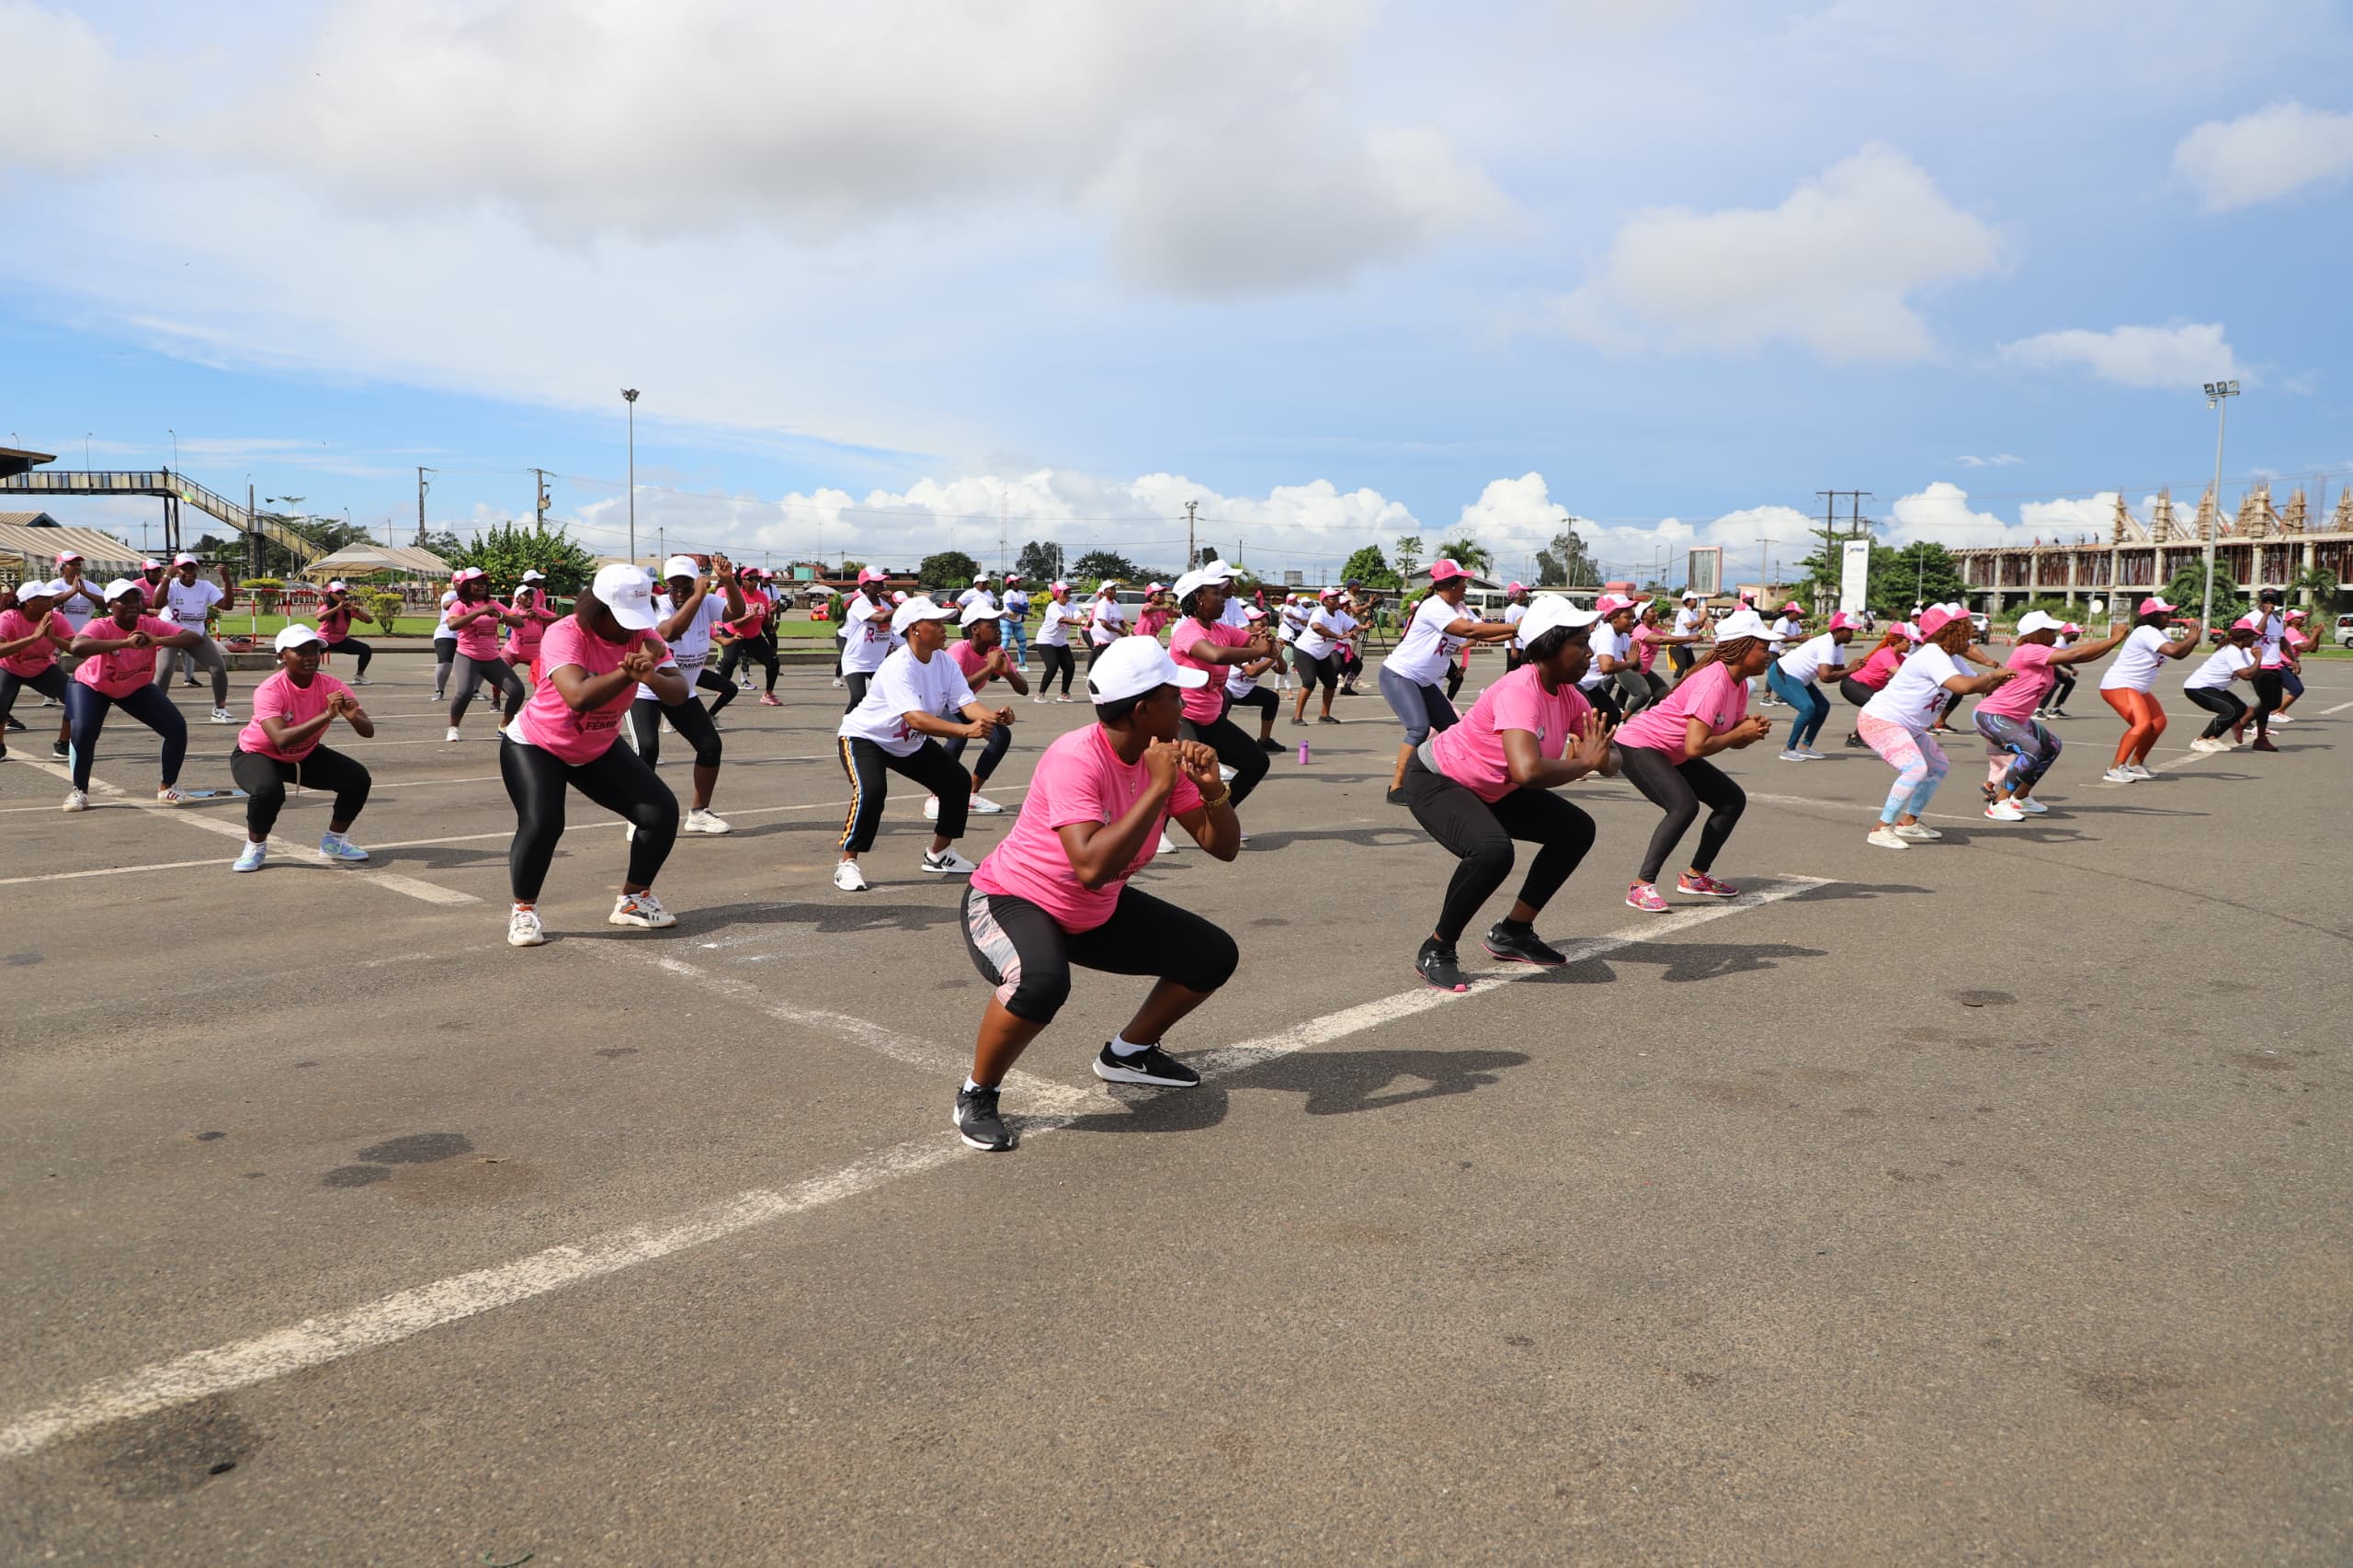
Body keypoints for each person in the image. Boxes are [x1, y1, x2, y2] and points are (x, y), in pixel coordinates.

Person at [951, 636, 1241, 1153]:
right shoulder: (1076, 758)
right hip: (1010, 900)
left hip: (1091, 911)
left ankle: (1128, 1054)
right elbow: (1089, 866)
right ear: (1142, 709)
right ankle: (978, 1093)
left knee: (1212, 955)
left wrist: (1212, 787)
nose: (1184, 703)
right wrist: (1156, 787)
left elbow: (1223, 848)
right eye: (1175, 695)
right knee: (1040, 983)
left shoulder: (1164, 761)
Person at [1402, 597, 1616, 991]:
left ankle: (1513, 932)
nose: (1589, 653)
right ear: (1550, 645)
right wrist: (1588, 762)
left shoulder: (1568, 695)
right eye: (1580, 644)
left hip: (1493, 787)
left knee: (1575, 829)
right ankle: (1437, 948)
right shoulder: (1521, 689)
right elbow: (1528, 770)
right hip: (1438, 779)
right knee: (1492, 851)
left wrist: (1601, 758)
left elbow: (1609, 754)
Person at [500, 563, 686, 947]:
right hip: (538, 744)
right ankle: (524, 911)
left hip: (597, 745)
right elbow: (579, 696)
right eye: (621, 620)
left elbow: (679, 692)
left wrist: (650, 675)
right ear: (596, 609)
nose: (630, 629)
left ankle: (634, 900)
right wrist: (629, 673)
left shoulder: (643, 635)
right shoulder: (564, 633)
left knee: (660, 813)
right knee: (544, 823)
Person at [834, 597, 1011, 892]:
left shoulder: (943, 662)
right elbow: (915, 718)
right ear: (914, 629)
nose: (945, 629)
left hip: (907, 743)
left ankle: (939, 854)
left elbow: (966, 702)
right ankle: (847, 863)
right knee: (873, 790)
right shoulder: (898, 666)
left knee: (956, 782)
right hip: (865, 738)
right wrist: (966, 731)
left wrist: (993, 717)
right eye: (937, 623)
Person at [1612, 606, 1778, 910]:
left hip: (1671, 750)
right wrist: (1738, 735)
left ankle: (1696, 876)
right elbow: (1696, 748)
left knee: (1731, 800)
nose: (1769, 654)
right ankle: (1641, 885)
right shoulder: (1713, 682)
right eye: (1762, 647)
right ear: (1739, 648)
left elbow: (1725, 740)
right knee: (1682, 805)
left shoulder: (1738, 685)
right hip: (1639, 744)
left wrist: (1747, 733)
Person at [1857, 606, 2017, 847]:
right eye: (1964, 628)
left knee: (1938, 766)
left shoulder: (1948, 657)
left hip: (1908, 726)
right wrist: (1993, 676)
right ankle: (1880, 829)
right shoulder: (1931, 654)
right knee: (1914, 769)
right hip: (1881, 720)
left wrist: (1998, 681)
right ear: (1948, 631)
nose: (1970, 634)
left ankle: (1909, 823)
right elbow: (1961, 687)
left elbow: (1976, 683)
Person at [228, 624, 375, 871]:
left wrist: (352, 716)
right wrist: (328, 714)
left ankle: (334, 842)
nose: (309, 658)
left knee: (357, 778)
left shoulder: (331, 685)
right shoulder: (270, 690)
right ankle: (255, 847)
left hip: (303, 753)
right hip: (258, 754)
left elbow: (368, 731)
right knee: (268, 791)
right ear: (281, 656)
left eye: (314, 651)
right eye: (300, 651)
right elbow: (281, 739)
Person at [62, 579, 208, 811]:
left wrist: (158, 640)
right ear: (110, 605)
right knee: (84, 731)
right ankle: (79, 791)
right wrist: (125, 643)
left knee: (176, 727)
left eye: (136, 600)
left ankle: (167, 787)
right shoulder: (101, 625)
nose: (132, 605)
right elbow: (77, 647)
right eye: (125, 601)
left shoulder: (150, 624)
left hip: (134, 686)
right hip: (92, 686)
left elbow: (194, 639)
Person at [628, 554, 745, 836]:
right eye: (674, 587)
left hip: (682, 689)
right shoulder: (657, 604)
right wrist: (697, 596)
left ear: (696, 582)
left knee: (710, 745)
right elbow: (669, 632)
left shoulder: (705, 601)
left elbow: (735, 613)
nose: (679, 593)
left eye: (686, 587)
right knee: (647, 749)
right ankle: (638, 815)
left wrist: (727, 581)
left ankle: (699, 813)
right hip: (645, 687)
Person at [1381, 561, 1517, 802]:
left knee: (1454, 729)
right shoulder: (1434, 607)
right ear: (1451, 584)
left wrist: (1520, 632)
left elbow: (1481, 630)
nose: (1466, 586)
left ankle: (1452, 777)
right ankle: (1396, 788)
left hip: (1424, 682)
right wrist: (1516, 627)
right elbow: (1469, 631)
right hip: (1400, 675)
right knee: (1419, 729)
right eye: (1463, 581)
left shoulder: (1459, 607)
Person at [1973, 610, 2128, 818]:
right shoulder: (2029, 650)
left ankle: (2020, 798)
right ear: (2039, 632)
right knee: (2031, 747)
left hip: (2015, 718)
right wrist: (2114, 639)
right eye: (2051, 629)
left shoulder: (2041, 652)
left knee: (2051, 746)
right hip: (1992, 715)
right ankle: (1999, 803)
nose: (2055, 632)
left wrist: (2113, 642)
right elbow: (2076, 655)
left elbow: (2084, 657)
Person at [1165, 564, 1276, 813]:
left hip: (1211, 719)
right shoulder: (1186, 632)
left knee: (1256, 762)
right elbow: (1216, 655)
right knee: (1185, 774)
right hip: (1183, 719)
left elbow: (1252, 642)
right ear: (1198, 599)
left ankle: (1219, 815)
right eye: (1215, 593)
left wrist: (1266, 643)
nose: (1222, 598)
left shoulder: (1221, 630)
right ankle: (1157, 829)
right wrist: (1258, 651)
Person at [930, 601, 1031, 821]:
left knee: (1001, 736)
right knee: (958, 738)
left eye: (999, 624)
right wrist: (990, 668)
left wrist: (1009, 673)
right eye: (992, 625)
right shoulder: (959, 650)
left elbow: (1023, 689)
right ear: (975, 630)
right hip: (938, 701)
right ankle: (936, 796)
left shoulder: (997, 651)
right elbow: (956, 686)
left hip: (965, 703)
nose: (999, 629)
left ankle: (970, 794)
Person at [2097, 597, 2201, 781]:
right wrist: (2191, 639)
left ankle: (2136, 764)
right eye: (2164, 614)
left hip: (2138, 688)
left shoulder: (2160, 634)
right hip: (2119, 684)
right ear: (2151, 616)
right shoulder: (2145, 631)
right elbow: (2173, 651)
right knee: (2142, 724)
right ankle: (2114, 768)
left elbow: (2180, 654)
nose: (2168, 617)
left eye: (2168, 613)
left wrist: (2192, 641)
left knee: (2158, 724)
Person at [443, 568, 528, 742]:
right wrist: (478, 613)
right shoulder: (460, 605)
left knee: (518, 691)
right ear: (467, 586)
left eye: (484, 583)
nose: (482, 586)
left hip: (491, 658)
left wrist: (500, 615)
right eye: (477, 583)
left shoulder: (492, 604)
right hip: (467, 655)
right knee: (464, 692)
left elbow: (519, 622)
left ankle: (504, 726)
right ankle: (453, 727)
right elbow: (453, 625)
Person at [152, 555, 239, 716]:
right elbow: (156, 604)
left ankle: (219, 709)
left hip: (196, 633)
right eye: (184, 568)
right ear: (177, 570)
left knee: (218, 669)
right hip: (170, 632)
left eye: (192, 568)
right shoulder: (171, 585)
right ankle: (155, 710)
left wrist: (227, 581)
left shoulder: (205, 586)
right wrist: (166, 578)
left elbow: (227, 605)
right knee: (164, 670)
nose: (189, 572)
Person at [0, 579, 75, 762]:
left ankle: (63, 744)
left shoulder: (56, 618)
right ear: (29, 602)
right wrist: (33, 637)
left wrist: (54, 638)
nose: (51, 601)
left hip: (42, 667)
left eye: (51, 598)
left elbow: (76, 646)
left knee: (76, 698)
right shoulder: (9, 617)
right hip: (9, 667)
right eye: (45, 598)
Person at [1766, 610, 1857, 760]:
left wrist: (1855, 669)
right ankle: (1788, 749)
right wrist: (1851, 670)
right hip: (1782, 673)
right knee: (1808, 708)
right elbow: (1826, 677)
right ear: (1839, 630)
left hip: (1799, 678)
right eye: (1849, 630)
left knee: (1822, 707)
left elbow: (1839, 671)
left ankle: (1805, 747)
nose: (1852, 634)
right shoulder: (1826, 644)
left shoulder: (1837, 645)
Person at [2181, 618, 2262, 754]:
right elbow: (2247, 675)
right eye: (2252, 636)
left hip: (2212, 687)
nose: (2255, 638)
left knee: (2240, 708)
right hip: (2197, 687)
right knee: (2230, 710)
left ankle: (2213, 739)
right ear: (2244, 637)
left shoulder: (2240, 650)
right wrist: (2259, 657)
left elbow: (2251, 672)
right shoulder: (2232, 651)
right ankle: (2200, 740)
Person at [708, 566, 782, 712]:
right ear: (741, 581)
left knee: (773, 662)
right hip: (735, 634)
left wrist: (772, 613)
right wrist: (751, 615)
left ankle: (768, 694)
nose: (755, 582)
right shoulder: (737, 596)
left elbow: (766, 623)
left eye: (757, 578)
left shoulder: (762, 596)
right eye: (751, 579)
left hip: (753, 636)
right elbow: (734, 623)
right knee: (729, 662)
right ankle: (723, 692)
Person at [1222, 606, 1284, 751]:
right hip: (1227, 688)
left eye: (1267, 625)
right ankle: (1220, 744)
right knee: (1225, 702)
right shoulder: (1241, 646)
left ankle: (1265, 740)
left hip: (1244, 690)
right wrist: (1272, 656)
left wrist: (1277, 653)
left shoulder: (1267, 645)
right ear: (1248, 628)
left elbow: (1282, 670)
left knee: (1272, 699)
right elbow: (1251, 671)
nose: (1265, 629)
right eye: (1261, 625)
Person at [1289, 585, 1354, 726]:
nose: (1337, 600)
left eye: (1337, 597)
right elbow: (1316, 627)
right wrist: (1337, 635)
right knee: (1309, 682)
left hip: (1322, 654)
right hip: (1305, 651)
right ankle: (1297, 717)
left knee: (1331, 682)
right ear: (1324, 601)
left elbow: (1353, 626)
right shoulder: (1320, 612)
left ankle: (1324, 715)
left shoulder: (1340, 614)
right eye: (1333, 598)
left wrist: (1361, 629)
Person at [836, 568, 897, 710]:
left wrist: (894, 604)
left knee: (886, 699)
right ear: (865, 586)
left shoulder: (887, 605)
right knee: (858, 697)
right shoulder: (860, 604)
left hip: (878, 663)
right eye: (876, 582)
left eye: (882, 581)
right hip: (856, 661)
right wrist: (902, 607)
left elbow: (902, 619)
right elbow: (880, 618)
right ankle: (846, 731)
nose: (882, 584)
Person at [1578, 594, 1642, 725]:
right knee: (1590, 721)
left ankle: (1603, 744)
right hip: (1578, 685)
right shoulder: (1607, 634)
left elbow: (1636, 665)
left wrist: (1634, 663)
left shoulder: (1623, 636)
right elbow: (1607, 667)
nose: (1632, 621)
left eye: (1633, 617)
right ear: (1614, 618)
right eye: (1627, 617)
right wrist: (1630, 663)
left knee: (1613, 716)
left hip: (1590, 685)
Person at [501, 570, 562, 693]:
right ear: (518, 599)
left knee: (540, 678)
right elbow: (508, 618)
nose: (530, 598)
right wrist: (525, 616)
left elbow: (558, 617)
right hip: (514, 651)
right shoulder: (517, 610)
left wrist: (541, 618)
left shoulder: (538, 609)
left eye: (531, 596)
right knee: (500, 671)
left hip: (535, 653)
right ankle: (496, 701)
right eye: (526, 596)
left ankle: (538, 702)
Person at [2247, 588, 2290, 750]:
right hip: (2260, 665)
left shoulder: (2278, 620)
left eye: (2272, 601)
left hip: (2275, 665)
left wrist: (2293, 660)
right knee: (2266, 703)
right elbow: (2257, 634)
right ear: (2260, 601)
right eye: (2266, 600)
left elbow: (2282, 641)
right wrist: (2265, 614)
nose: (2269, 604)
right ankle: (2259, 738)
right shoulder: (2251, 618)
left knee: (2274, 704)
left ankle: (2242, 721)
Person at [313, 578, 377, 687]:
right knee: (311, 655)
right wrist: (338, 608)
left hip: (341, 640)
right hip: (324, 639)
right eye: (338, 593)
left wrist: (356, 609)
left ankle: (359, 676)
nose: (342, 595)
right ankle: (311, 678)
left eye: (343, 593)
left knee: (365, 650)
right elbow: (319, 618)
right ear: (331, 594)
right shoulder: (326, 607)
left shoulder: (348, 609)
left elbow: (369, 621)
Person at [1033, 579, 1082, 701]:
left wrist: (1085, 620)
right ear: (1056, 594)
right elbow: (1063, 620)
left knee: (1070, 666)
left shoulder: (1071, 606)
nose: (1067, 594)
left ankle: (1064, 693)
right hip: (1045, 640)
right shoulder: (1053, 607)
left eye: (1068, 592)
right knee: (1052, 666)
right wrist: (1081, 623)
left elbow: (1079, 616)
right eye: (1064, 592)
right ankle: (1040, 694)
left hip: (1060, 642)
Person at [2037, 622, 2080, 719]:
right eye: (2075, 633)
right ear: (2067, 633)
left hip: (2052, 667)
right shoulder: (2058, 643)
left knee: (2070, 682)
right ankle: (2038, 710)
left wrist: (2072, 669)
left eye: (2078, 633)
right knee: (2054, 683)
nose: (2078, 635)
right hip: (2044, 667)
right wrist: (2061, 672)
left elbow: (2062, 659)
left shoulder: (2067, 644)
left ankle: (2055, 709)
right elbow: (2050, 660)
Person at [1085, 580, 1129, 670]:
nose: (1113, 591)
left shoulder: (1116, 604)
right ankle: (1090, 672)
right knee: (1103, 658)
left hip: (1113, 639)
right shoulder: (1102, 604)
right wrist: (1119, 631)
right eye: (1111, 589)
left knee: (1111, 662)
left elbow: (1121, 619)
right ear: (1105, 592)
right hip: (1102, 639)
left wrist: (1125, 629)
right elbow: (1104, 623)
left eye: (1114, 589)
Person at [1667, 592, 1708, 682]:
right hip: (1677, 644)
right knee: (1681, 666)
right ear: (1687, 601)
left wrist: (1703, 621)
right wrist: (1700, 620)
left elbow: (1696, 627)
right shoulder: (1684, 612)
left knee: (1692, 668)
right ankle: (1674, 689)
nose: (1696, 601)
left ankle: (1687, 687)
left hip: (1686, 645)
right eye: (1694, 600)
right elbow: (1689, 625)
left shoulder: (1693, 614)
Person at [998, 574, 1030, 669]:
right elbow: (1012, 608)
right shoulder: (1008, 593)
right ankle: (1000, 663)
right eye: (1017, 581)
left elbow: (1026, 606)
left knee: (1023, 642)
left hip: (1018, 620)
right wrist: (1026, 612)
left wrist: (1019, 605)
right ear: (1011, 584)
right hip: (1006, 620)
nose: (1019, 583)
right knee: (1005, 642)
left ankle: (1022, 664)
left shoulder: (1023, 593)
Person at [1499, 583, 1531, 673]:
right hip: (1514, 646)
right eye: (1523, 591)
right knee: (1511, 672)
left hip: (1523, 647)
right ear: (1517, 594)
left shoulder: (1525, 609)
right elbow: (1508, 629)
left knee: (1521, 672)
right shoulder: (1511, 609)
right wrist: (1513, 648)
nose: (1526, 594)